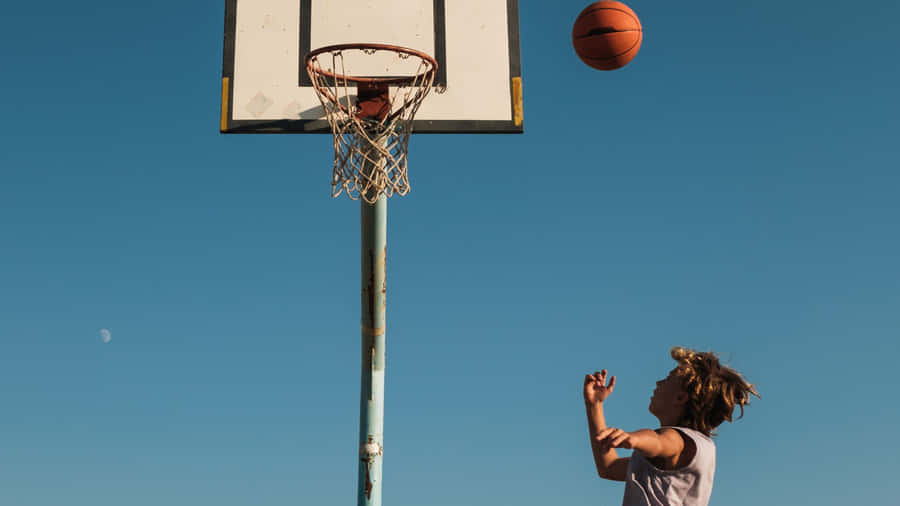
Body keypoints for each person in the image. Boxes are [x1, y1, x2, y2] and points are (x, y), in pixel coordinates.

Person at [584, 347, 759, 506]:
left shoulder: (680, 440)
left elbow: (659, 441)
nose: (659, 383)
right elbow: (609, 467)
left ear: (680, 398)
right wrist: (595, 406)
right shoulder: (696, 449)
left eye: (668, 378)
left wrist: (634, 438)